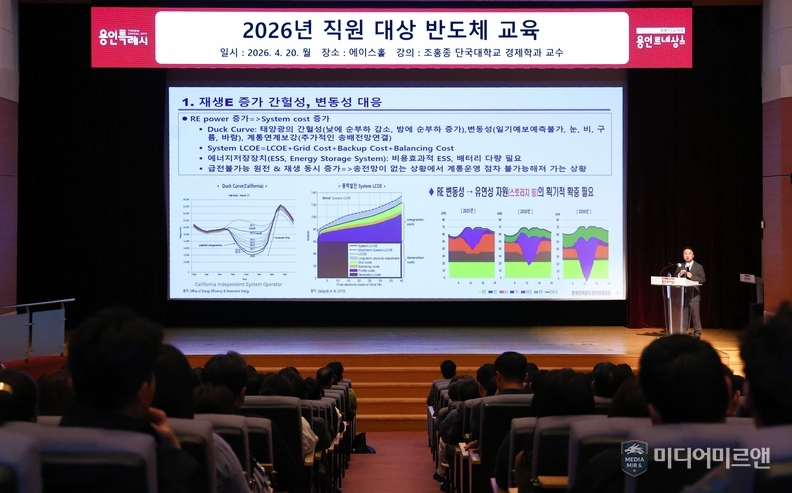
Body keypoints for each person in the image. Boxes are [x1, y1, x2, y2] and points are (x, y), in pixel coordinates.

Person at [61, 306, 200, 493]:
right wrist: (175, 453)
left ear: (71, 385)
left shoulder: (33, 453)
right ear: (144, 392)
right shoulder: (172, 471)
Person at [674, 247, 706, 339]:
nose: (687, 255)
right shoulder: (680, 266)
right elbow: (674, 277)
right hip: (683, 295)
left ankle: (697, 333)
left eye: (689, 253)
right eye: (685, 253)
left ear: (693, 255)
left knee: (695, 316)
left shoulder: (698, 266)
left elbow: (703, 279)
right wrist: (679, 274)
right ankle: (684, 332)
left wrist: (692, 276)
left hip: (694, 295)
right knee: (684, 315)